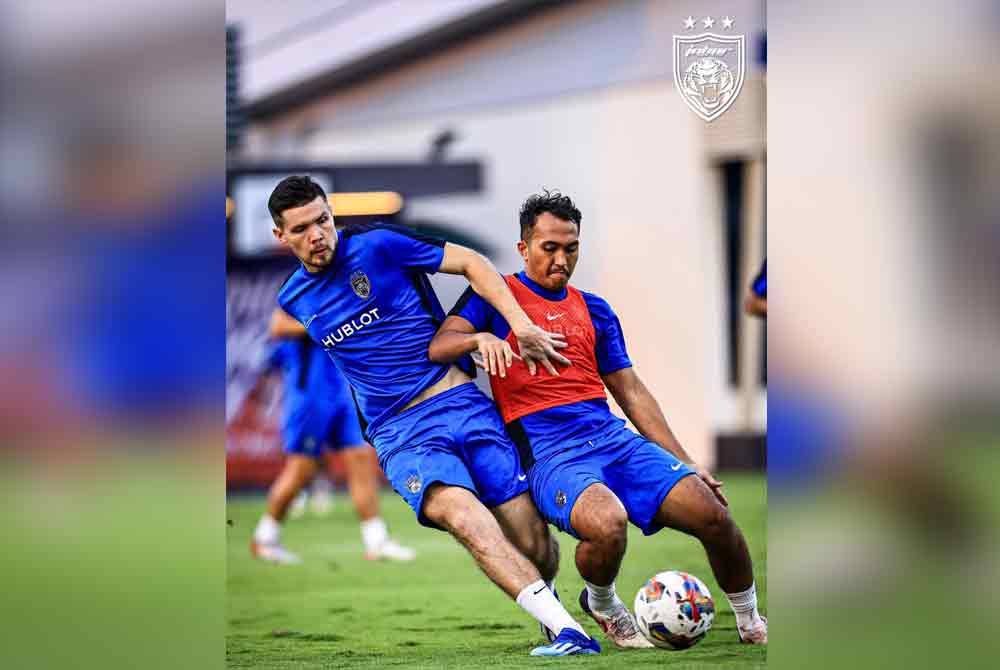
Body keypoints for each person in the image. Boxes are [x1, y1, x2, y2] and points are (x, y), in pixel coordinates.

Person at [267, 176, 599, 657]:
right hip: (401, 435)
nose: (317, 234)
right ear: (282, 236)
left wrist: (519, 327)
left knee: (533, 540)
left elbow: (471, 262)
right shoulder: (294, 298)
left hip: (462, 404)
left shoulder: (379, 244)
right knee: (466, 519)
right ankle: (570, 632)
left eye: (322, 220)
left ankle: (564, 612)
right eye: (301, 229)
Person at [429, 190, 768, 647]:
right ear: (524, 248)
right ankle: (603, 601)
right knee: (607, 523)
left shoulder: (595, 309)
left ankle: (750, 621)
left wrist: (686, 461)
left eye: (570, 248)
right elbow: (438, 346)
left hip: (611, 438)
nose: (561, 259)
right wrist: (479, 340)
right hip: (549, 453)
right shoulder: (494, 295)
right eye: (549, 248)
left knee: (713, 514)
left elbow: (630, 390)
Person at [250, 309, 416, 565]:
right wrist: (327, 324)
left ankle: (376, 541)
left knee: (361, 458)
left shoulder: (343, 288)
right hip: (309, 396)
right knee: (301, 470)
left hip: (341, 390)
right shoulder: (301, 288)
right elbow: (278, 326)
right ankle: (265, 538)